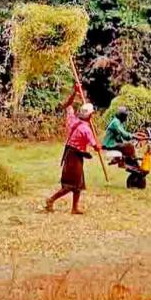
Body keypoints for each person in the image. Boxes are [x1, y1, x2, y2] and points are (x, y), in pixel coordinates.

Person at [45, 84, 101, 215]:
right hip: (74, 157)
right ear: (90, 116)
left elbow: (67, 105)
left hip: (71, 154)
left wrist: (74, 93)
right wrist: (99, 146)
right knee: (71, 184)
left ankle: (74, 208)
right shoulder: (86, 129)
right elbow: (95, 146)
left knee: (78, 183)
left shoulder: (72, 120)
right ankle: (51, 200)